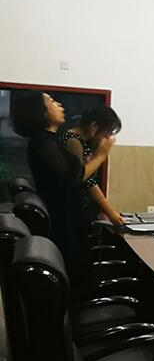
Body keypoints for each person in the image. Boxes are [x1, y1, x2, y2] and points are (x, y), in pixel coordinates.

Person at [11, 92, 112, 284]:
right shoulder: (43, 144)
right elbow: (73, 178)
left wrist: (87, 163)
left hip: (67, 218)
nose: (60, 105)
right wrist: (100, 156)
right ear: (40, 112)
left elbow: (73, 172)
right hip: (64, 223)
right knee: (79, 276)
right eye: (51, 101)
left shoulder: (51, 140)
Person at [61, 106, 124, 226]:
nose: (107, 137)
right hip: (72, 208)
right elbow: (84, 179)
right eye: (107, 131)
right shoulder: (73, 142)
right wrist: (110, 212)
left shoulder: (80, 141)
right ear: (94, 126)